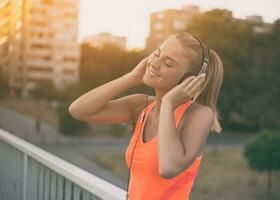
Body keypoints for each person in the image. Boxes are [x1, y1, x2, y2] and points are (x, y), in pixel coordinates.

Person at [68, 32, 223, 199]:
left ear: (188, 80)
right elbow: (78, 110)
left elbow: (169, 168)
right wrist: (132, 77)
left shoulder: (199, 115)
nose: (155, 63)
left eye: (168, 63)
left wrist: (168, 105)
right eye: (156, 53)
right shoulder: (141, 106)